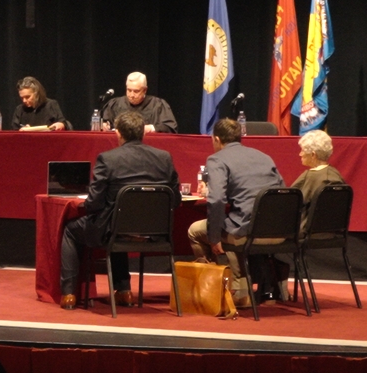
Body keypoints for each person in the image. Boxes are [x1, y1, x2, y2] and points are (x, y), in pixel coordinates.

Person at [58, 111, 180, 310]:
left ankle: (69, 294)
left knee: (72, 230)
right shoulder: (164, 158)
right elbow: (175, 199)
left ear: (119, 134)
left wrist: (86, 204)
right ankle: (123, 291)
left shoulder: (108, 159)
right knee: (118, 220)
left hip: (114, 230)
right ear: (143, 133)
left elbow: (95, 203)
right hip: (156, 233)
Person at [188, 117, 287, 300]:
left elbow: (216, 200)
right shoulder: (264, 157)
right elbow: (283, 190)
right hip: (279, 230)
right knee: (233, 222)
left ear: (216, 139)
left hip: (246, 231)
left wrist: (214, 237)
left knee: (195, 231)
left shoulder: (216, 159)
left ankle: (230, 290)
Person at [291, 129, 345, 231]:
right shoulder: (336, 174)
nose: (300, 154)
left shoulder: (309, 177)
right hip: (333, 230)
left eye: (302, 150)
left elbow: (290, 203)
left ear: (313, 155)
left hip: (306, 231)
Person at [99, 71, 178, 133]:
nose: (132, 95)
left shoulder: (157, 105)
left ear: (145, 90)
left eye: (136, 91)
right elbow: (101, 121)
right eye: (129, 90)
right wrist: (103, 125)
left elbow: (169, 127)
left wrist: (150, 128)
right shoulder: (115, 104)